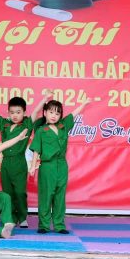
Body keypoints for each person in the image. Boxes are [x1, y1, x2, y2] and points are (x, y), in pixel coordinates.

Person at [30, 96, 88, 234]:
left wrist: (84, 103)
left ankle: (59, 225)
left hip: (62, 165)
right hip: (47, 166)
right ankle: (44, 225)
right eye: (51, 112)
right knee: (45, 196)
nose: (54, 116)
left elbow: (73, 114)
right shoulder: (41, 130)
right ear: (45, 113)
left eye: (57, 113)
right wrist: (32, 166)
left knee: (60, 196)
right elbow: (36, 150)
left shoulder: (63, 126)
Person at [0, 92, 44, 228]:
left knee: (20, 192)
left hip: (19, 163)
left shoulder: (26, 124)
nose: (15, 115)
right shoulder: (4, 124)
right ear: (8, 112)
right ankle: (11, 218)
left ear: (24, 113)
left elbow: (36, 111)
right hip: (5, 163)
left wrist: (45, 98)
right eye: (12, 112)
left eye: (18, 112)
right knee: (7, 193)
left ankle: (22, 217)